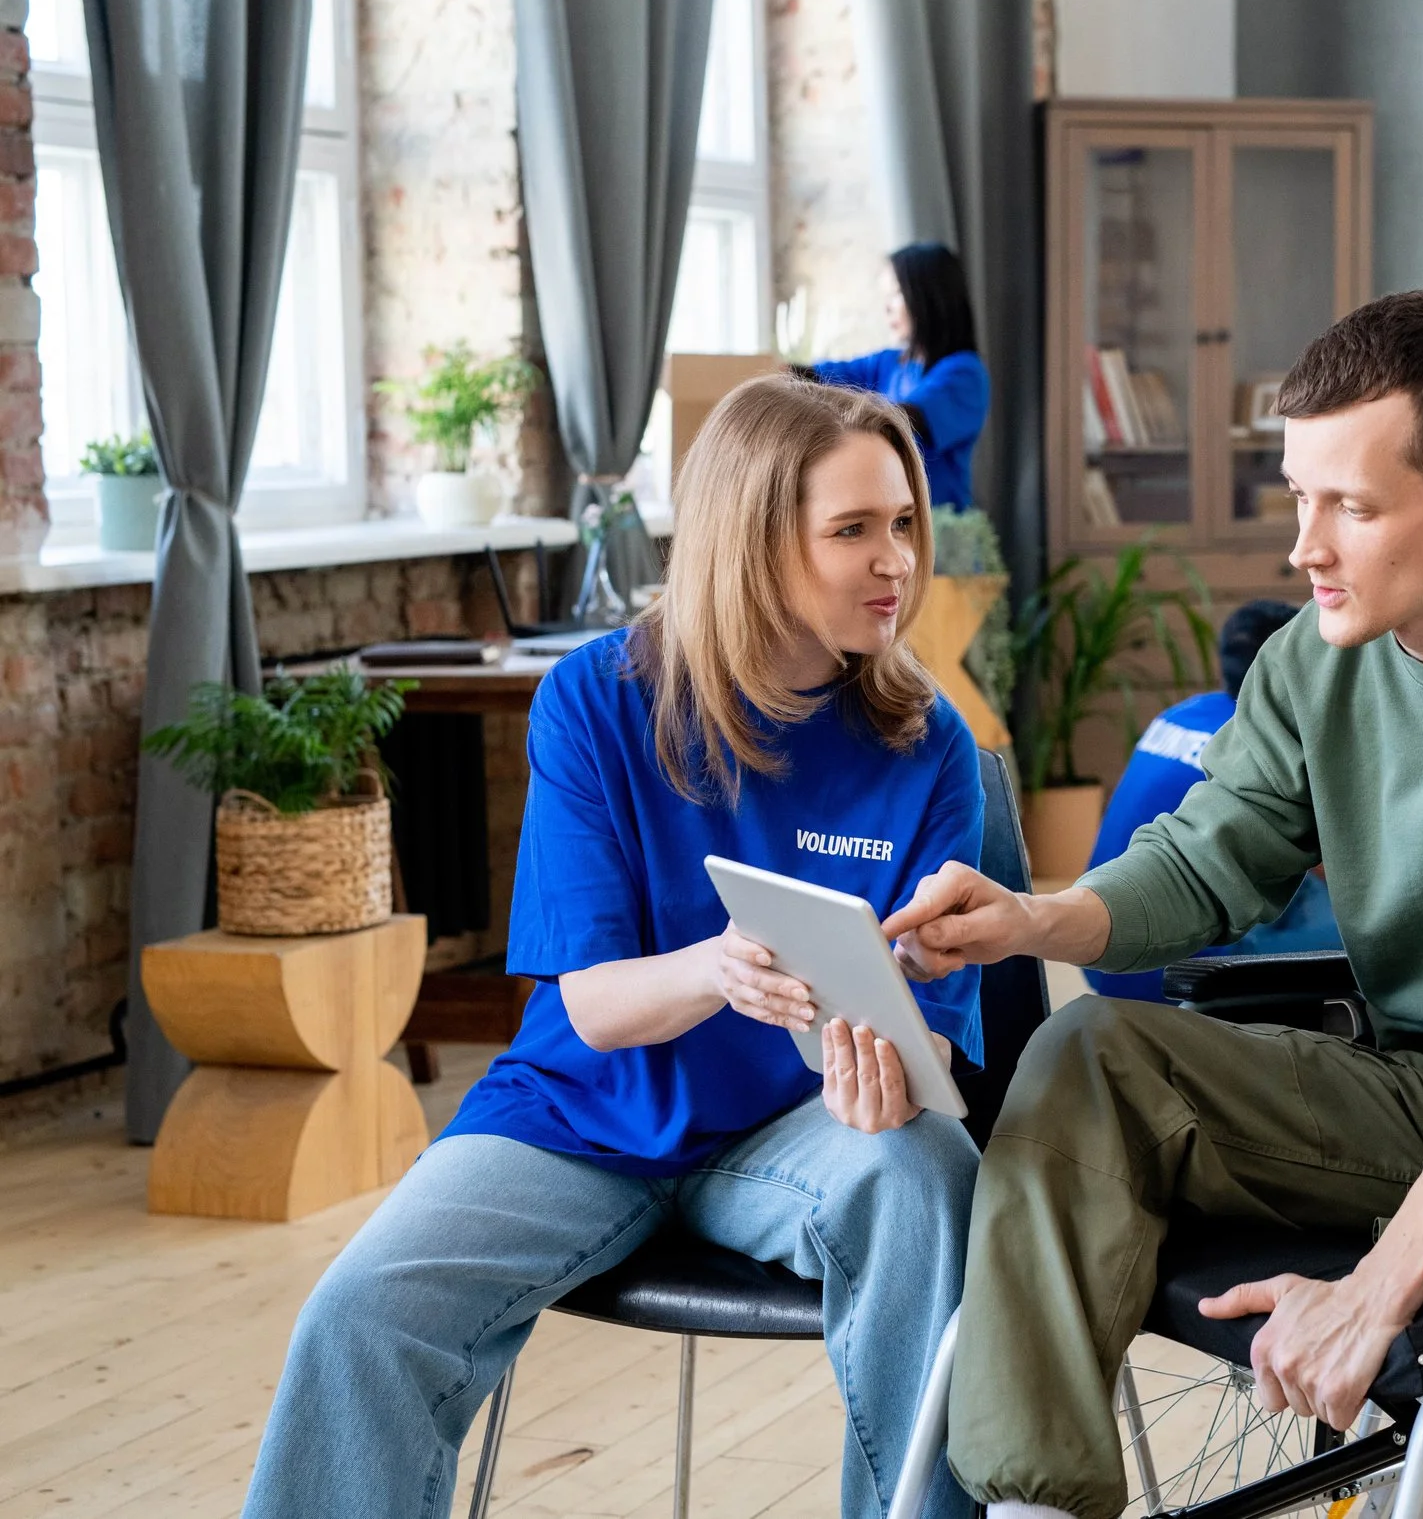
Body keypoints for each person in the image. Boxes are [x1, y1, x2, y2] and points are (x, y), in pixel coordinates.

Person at [883, 289, 1423, 1519]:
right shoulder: (1315, 656)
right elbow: (1203, 863)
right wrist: (1036, 916)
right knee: (1085, 1046)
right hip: (1419, 1091)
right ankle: (1035, 1508)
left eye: (1351, 504)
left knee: (1131, 1073)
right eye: (1299, 496)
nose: (1306, 545)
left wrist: (1376, 1291)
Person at [241, 378, 987, 1519]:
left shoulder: (930, 742)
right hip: (578, 1116)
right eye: (851, 530)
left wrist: (897, 1061)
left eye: (901, 524)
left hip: (800, 1132)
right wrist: (716, 969)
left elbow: (934, 1027)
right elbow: (591, 1007)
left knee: (927, 1174)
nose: (894, 559)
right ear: (751, 542)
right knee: (361, 1313)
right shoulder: (597, 700)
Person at [1080, 598, 1343, 1003]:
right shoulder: (1265, 739)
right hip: (1184, 966)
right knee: (1364, 934)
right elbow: (1336, 863)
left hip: (1101, 947)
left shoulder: (1177, 714)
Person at [809, 241, 988, 511]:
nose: (887, 308)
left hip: (940, 532)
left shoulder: (965, 374)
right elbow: (813, 377)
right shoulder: (889, 362)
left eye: (896, 294)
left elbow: (903, 420)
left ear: (929, 297)